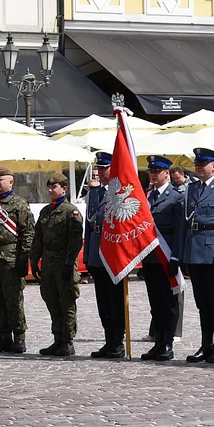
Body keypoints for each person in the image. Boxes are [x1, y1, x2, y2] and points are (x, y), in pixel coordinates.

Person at [176, 148, 214, 364]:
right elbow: (185, 222)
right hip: (194, 251)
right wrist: (183, 254)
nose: (199, 167)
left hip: (213, 252)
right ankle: (206, 344)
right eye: (197, 164)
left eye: (204, 164)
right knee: (202, 302)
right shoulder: (191, 189)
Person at [0, 166, 35, 354]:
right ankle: (4, 337)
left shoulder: (19, 204)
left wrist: (24, 257)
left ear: (10, 182)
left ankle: (19, 337)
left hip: (10, 258)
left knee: (13, 301)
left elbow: (28, 232)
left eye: (1, 179)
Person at [30, 172, 83, 357]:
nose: (51, 190)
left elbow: (76, 240)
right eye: (49, 187)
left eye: (55, 187)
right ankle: (57, 339)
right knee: (51, 301)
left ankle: (67, 341)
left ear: (64, 188)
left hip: (64, 263)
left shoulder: (71, 211)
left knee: (66, 303)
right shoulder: (46, 211)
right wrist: (34, 260)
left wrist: (69, 263)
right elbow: (38, 238)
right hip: (48, 263)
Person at [142, 156, 184, 361]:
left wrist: (176, 256)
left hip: (167, 257)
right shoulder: (145, 197)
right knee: (155, 302)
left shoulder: (175, 197)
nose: (153, 174)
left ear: (167, 173)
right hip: (150, 258)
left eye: (157, 171)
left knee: (169, 303)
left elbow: (179, 230)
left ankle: (168, 342)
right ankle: (157, 342)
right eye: (151, 171)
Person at [84, 153, 124, 359]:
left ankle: (118, 340)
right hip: (96, 252)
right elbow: (89, 226)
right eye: (98, 169)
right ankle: (108, 339)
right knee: (103, 301)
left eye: (104, 168)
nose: (100, 172)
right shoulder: (93, 194)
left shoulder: (121, 192)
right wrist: (87, 257)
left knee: (116, 300)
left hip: (114, 253)